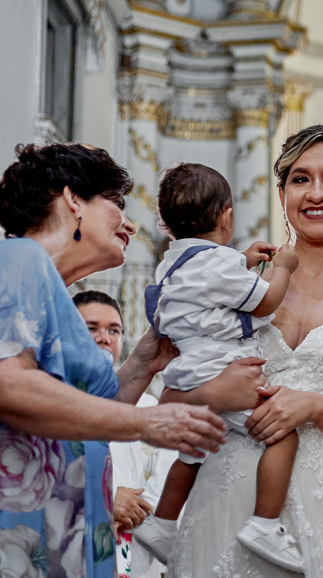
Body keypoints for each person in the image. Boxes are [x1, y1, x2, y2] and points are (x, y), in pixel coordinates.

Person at [168, 124, 323, 577]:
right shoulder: (231, 288)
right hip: (227, 500)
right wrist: (217, 393)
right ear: (283, 193)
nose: (316, 193)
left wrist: (314, 408)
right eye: (300, 179)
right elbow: (170, 400)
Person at [0, 143, 226, 578]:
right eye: (116, 204)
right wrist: (147, 423)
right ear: (72, 200)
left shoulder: (55, 295)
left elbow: (89, 418)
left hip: (69, 529)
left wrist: (144, 361)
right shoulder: (19, 257)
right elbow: (9, 383)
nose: (131, 224)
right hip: (18, 529)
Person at [131, 163, 302, 572]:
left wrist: (241, 260)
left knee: (194, 451)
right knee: (283, 433)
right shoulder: (220, 267)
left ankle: (163, 524)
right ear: (227, 216)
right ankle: (265, 524)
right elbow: (264, 302)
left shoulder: (172, 264)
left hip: (188, 368)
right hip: (223, 369)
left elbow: (206, 287)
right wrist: (283, 269)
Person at [72, 289, 176, 578]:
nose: (104, 337)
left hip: (137, 542)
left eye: (113, 330)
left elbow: (168, 477)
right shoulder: (49, 398)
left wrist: (131, 511)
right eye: (90, 328)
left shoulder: (148, 405)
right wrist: (106, 501)